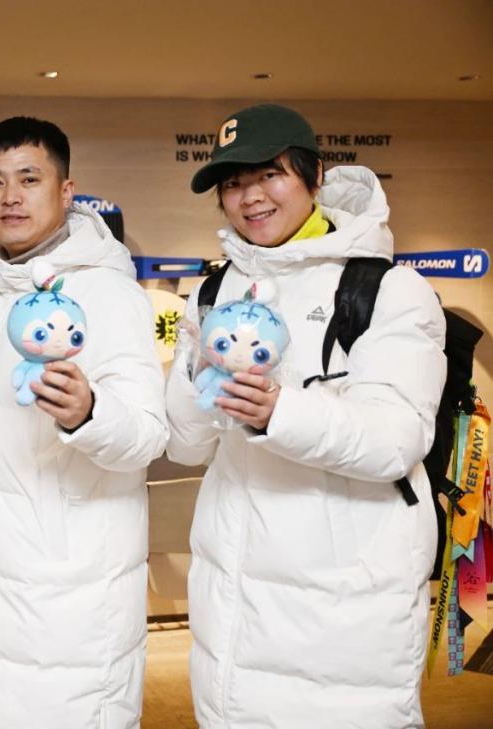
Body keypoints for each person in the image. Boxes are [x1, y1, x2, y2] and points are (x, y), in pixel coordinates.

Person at [166, 103, 446, 727]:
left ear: (315, 174)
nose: (250, 197)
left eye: (270, 175)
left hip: (344, 616)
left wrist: (279, 413)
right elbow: (185, 444)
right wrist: (194, 370)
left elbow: (397, 439)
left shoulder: (384, 289)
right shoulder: (212, 292)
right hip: (231, 610)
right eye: (232, 183)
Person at [0, 117, 168, 728]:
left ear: (66, 192)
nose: (10, 196)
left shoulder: (108, 293)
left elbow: (148, 433)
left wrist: (89, 413)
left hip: (74, 590)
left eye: (29, 178)